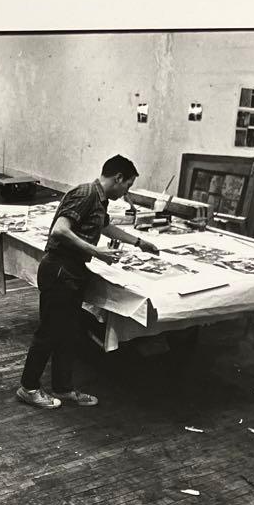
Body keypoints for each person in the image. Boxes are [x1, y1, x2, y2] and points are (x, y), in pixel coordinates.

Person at [16, 154, 160, 409]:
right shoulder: (85, 193)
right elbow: (60, 230)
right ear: (118, 178)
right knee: (49, 332)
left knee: (68, 333)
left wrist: (139, 242)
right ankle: (28, 388)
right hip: (59, 269)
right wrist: (96, 252)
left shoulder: (99, 200)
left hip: (72, 271)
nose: (127, 193)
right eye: (128, 185)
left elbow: (105, 227)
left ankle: (63, 388)